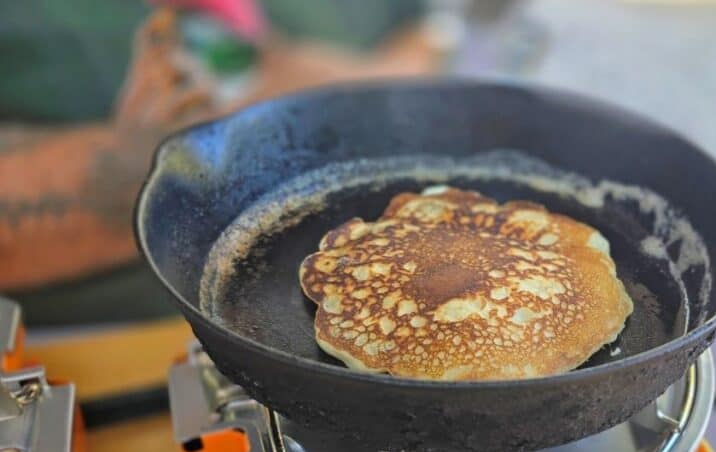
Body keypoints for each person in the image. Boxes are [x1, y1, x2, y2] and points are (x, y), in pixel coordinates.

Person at [0, 0, 436, 324]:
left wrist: (370, 84)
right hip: (134, 349)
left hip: (391, 291)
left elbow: (424, 32)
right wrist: (143, 165)